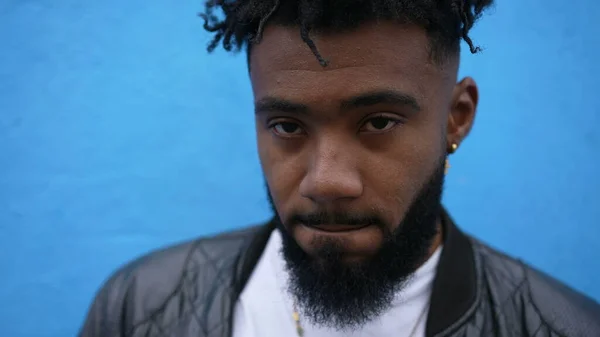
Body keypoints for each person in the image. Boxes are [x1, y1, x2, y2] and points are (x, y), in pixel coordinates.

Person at [78, 0, 600, 336]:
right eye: (286, 126)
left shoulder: (562, 326)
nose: (326, 182)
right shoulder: (140, 308)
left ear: (455, 119)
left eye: (378, 122)